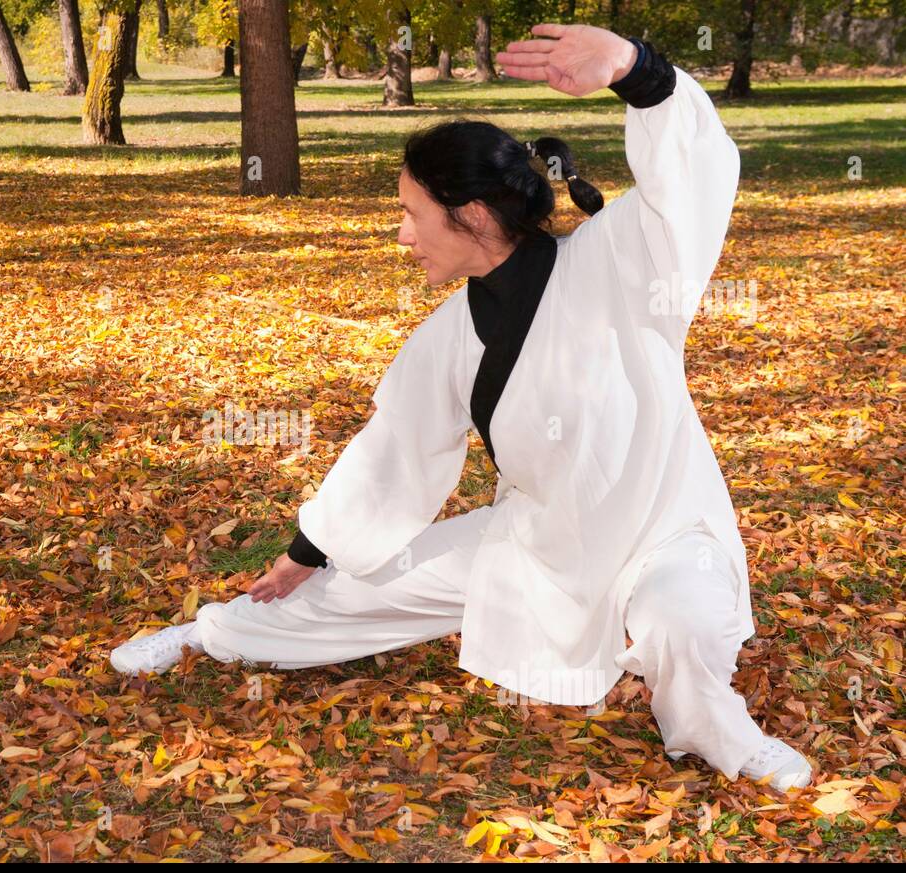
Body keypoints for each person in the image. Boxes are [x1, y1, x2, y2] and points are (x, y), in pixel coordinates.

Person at [110, 23, 813, 794]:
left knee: (681, 620)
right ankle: (212, 634)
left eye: (413, 213)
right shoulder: (448, 337)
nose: (401, 233)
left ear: (473, 216)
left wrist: (636, 71)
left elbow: (694, 183)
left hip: (665, 527)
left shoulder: (621, 260)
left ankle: (726, 735)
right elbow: (395, 453)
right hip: (538, 535)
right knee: (354, 589)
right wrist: (307, 551)